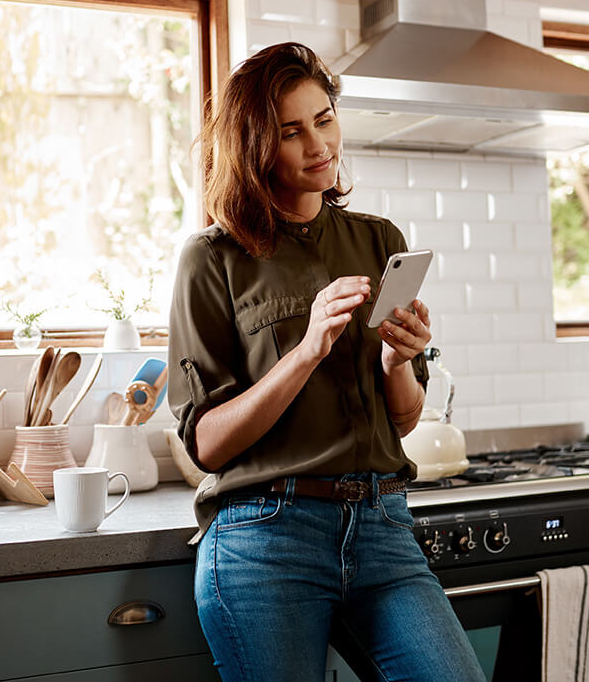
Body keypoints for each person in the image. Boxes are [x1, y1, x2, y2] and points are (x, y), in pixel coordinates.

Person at [168, 42, 486, 682]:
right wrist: (308, 349)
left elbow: (400, 422)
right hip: (266, 539)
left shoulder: (377, 240)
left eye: (325, 118)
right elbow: (207, 442)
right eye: (292, 131)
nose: (320, 143)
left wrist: (400, 361)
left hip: (382, 526)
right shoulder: (212, 257)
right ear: (258, 143)